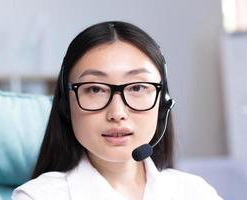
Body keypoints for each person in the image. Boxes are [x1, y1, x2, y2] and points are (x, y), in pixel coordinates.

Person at [12, 21, 222, 200]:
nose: (117, 112)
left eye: (137, 87)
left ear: (163, 103)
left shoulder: (195, 192)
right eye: (95, 89)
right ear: (67, 104)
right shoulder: (39, 197)